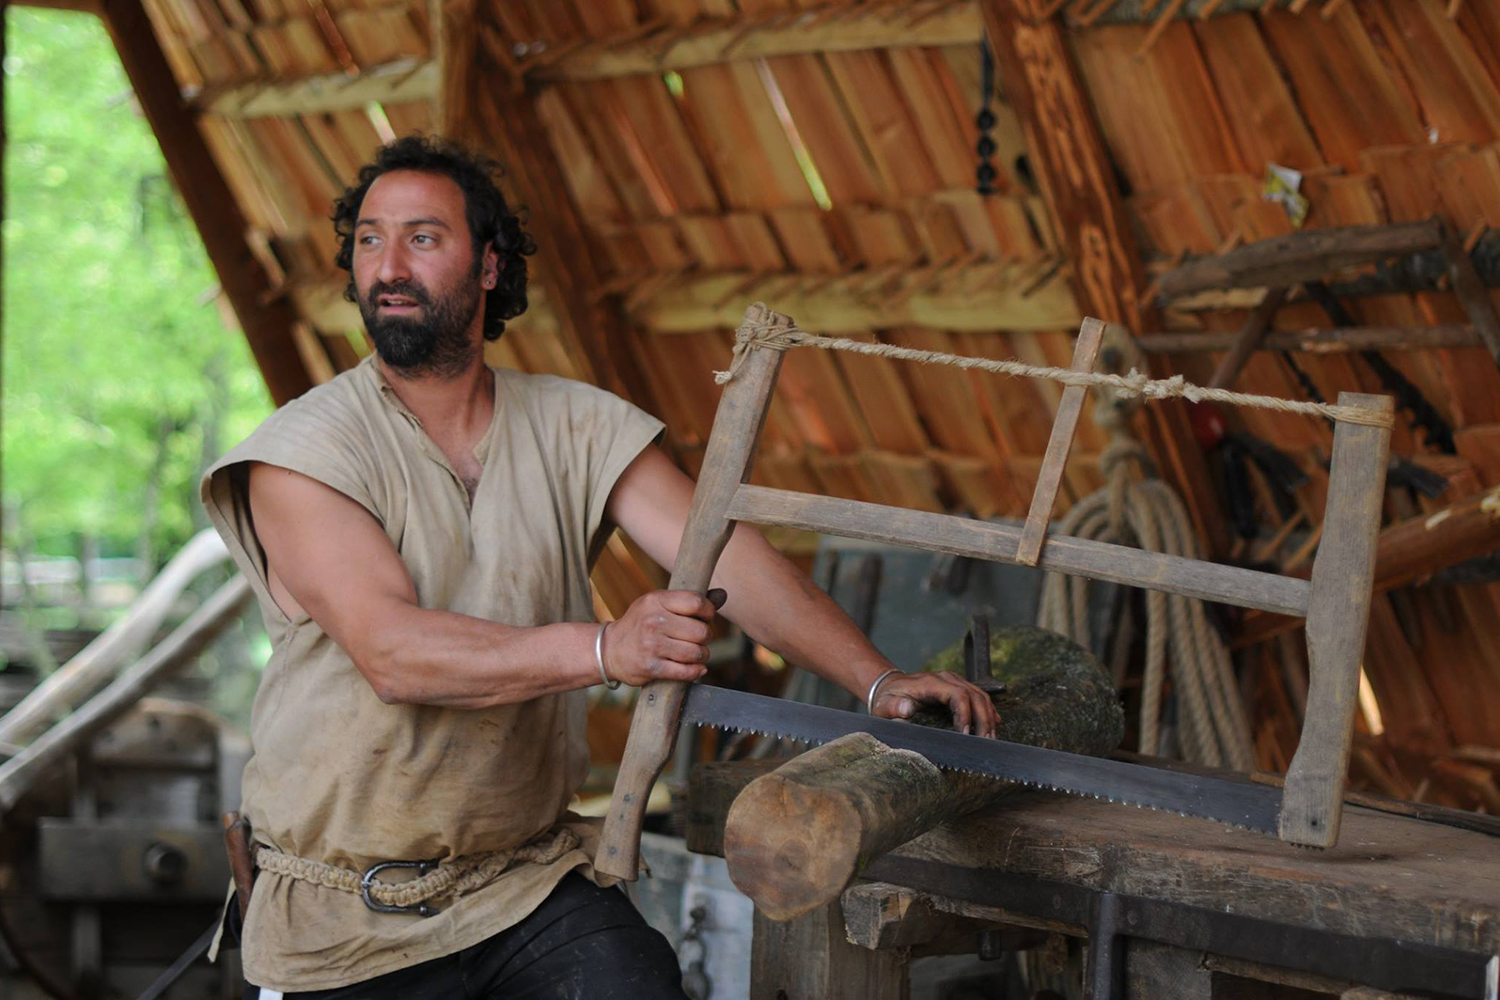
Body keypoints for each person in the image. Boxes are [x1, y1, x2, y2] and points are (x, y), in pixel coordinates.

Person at [201, 134, 999, 999]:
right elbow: (394, 655)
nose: (388, 264)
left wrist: (878, 684)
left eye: (422, 238)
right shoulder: (301, 452)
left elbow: (728, 556)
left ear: (491, 267)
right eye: (368, 239)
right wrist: (604, 651)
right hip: (347, 915)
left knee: (634, 981)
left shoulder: (574, 426)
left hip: (521, 884)